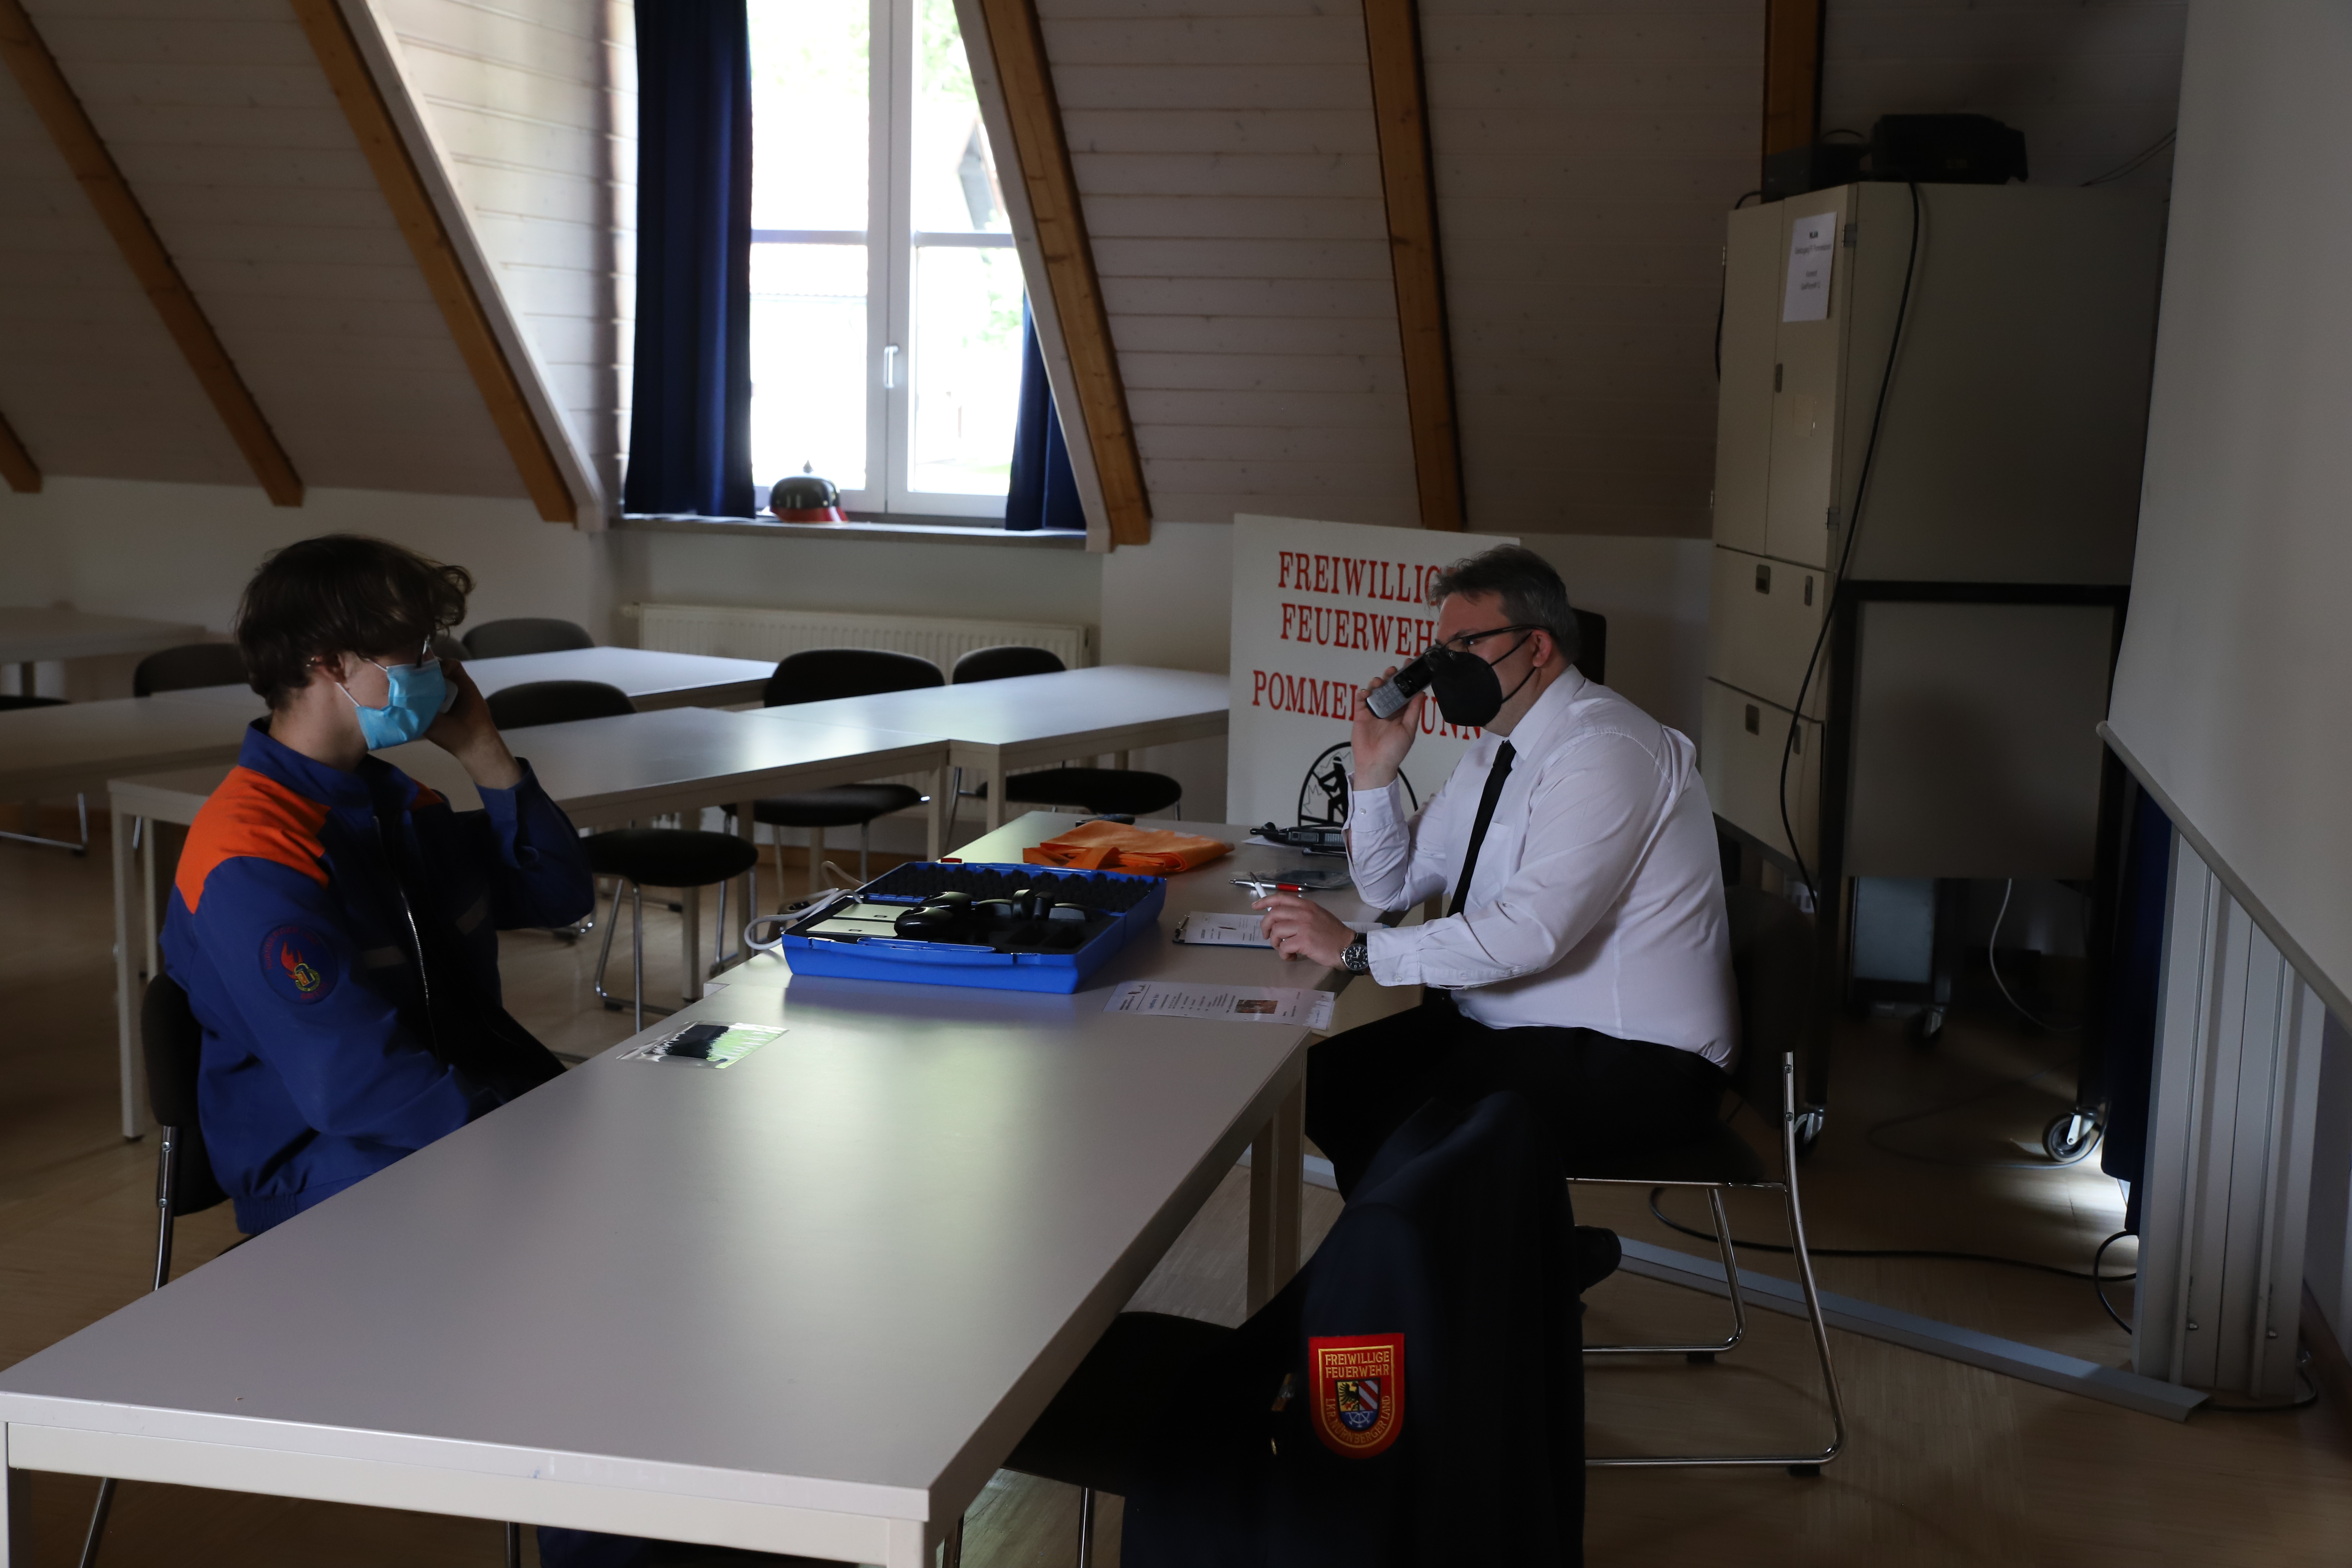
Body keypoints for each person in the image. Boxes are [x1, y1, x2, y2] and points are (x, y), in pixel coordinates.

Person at [1253, 544, 1740, 1214]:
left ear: (1537, 646)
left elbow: (1532, 933)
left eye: (1467, 644)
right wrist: (1375, 770)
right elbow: (1391, 885)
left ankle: (1478, 1268)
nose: (1445, 666)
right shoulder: (1496, 750)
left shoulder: (1608, 750)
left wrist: (1357, 951)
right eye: (1441, 649)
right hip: (1511, 1025)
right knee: (1326, 1082)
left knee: (1398, 1129)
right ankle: (1451, 1258)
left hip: (1636, 1058)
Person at [161, 535, 593, 1236]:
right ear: (333, 663)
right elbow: (352, 1081)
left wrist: (485, 750)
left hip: (445, 1119)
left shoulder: (394, 803)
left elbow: (559, 897)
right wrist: (517, 1141)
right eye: (416, 649)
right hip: (332, 1163)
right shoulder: (249, 852)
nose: (438, 668)